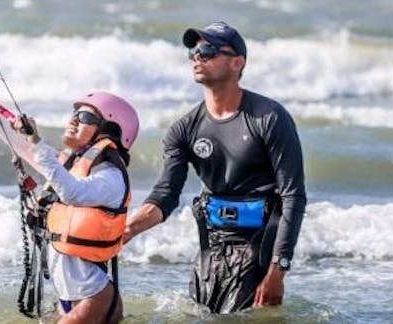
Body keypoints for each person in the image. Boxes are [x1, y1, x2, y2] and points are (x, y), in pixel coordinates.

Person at [123, 21, 307, 313]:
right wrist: (128, 229)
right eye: (194, 53)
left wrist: (278, 270)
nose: (198, 57)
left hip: (259, 251)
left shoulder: (270, 117)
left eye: (208, 50)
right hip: (211, 251)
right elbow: (166, 194)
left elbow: (293, 196)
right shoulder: (183, 129)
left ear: (237, 62)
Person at [0, 75, 139, 323]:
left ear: (109, 130)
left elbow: (71, 192)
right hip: (68, 299)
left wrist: (37, 139)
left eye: (86, 117)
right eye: (74, 113)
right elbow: (23, 147)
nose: (74, 119)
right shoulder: (72, 166)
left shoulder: (111, 178)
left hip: (92, 298)